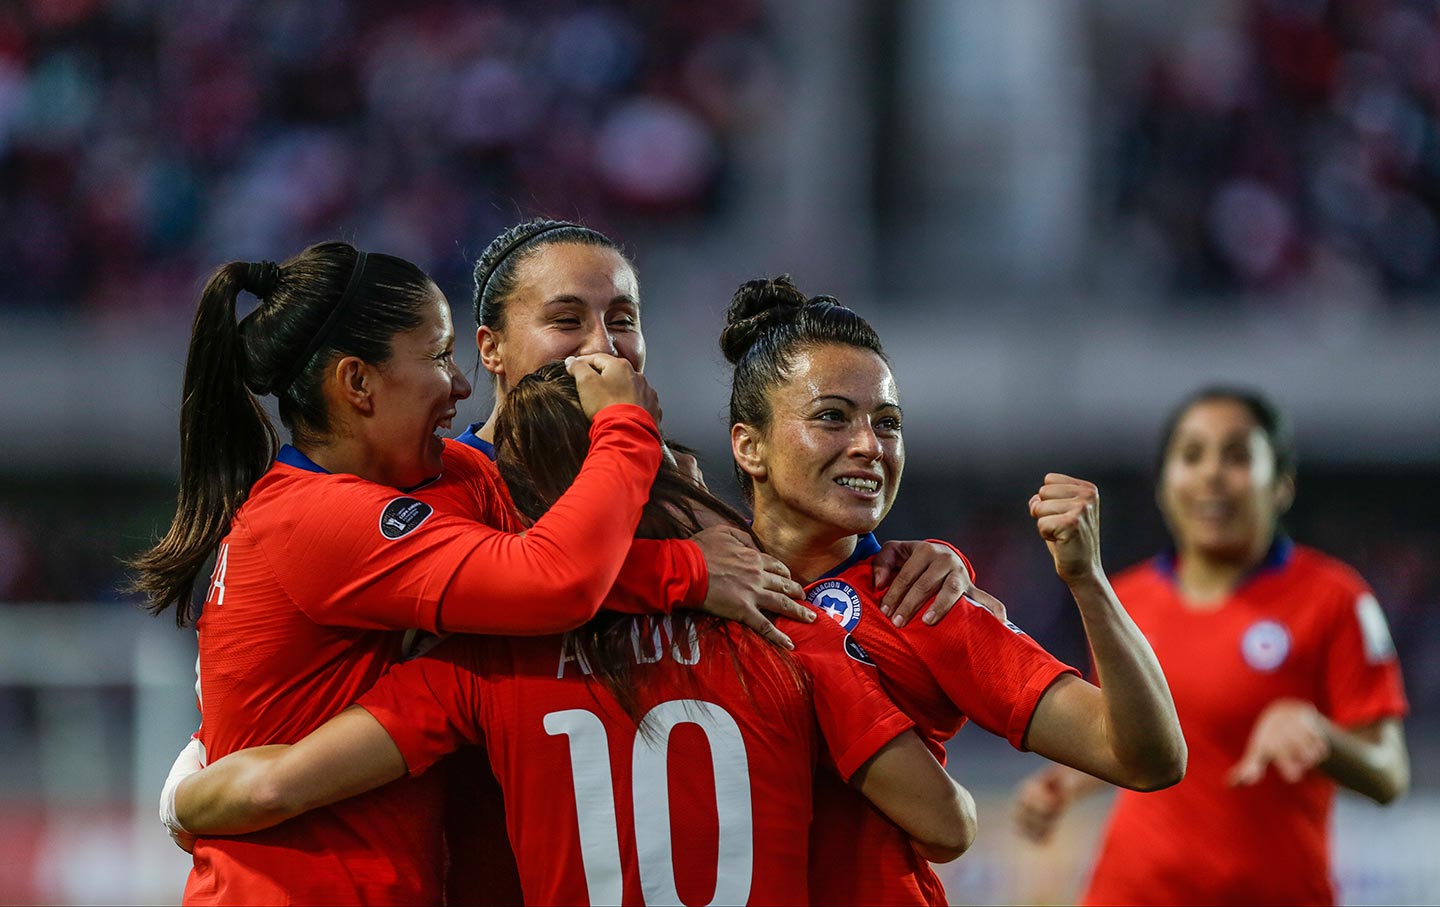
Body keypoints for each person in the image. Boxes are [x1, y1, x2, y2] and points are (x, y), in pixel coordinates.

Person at [136, 242, 813, 906]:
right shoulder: (325, 520)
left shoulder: (451, 477)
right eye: (437, 356)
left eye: (625, 319)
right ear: (357, 382)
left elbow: (538, 562)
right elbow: (554, 580)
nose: (457, 381)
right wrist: (637, 453)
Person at [169, 361, 980, 906]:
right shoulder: (786, 637)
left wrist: (183, 794)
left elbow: (270, 786)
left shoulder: (477, 664)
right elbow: (946, 825)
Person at [717, 277, 1188, 905]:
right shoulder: (683, 580)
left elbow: (1147, 758)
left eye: (887, 424)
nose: (869, 447)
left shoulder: (922, 601)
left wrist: (1088, 581)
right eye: (832, 417)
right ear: (751, 447)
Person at [1011, 386, 1410, 906]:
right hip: (1130, 893)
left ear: (1282, 485)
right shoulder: (1122, 601)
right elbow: (1136, 738)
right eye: (1191, 455)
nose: (1211, 474)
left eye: (1238, 456)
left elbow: (1390, 775)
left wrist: (1321, 735)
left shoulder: (1336, 599)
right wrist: (1068, 783)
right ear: (1163, 484)